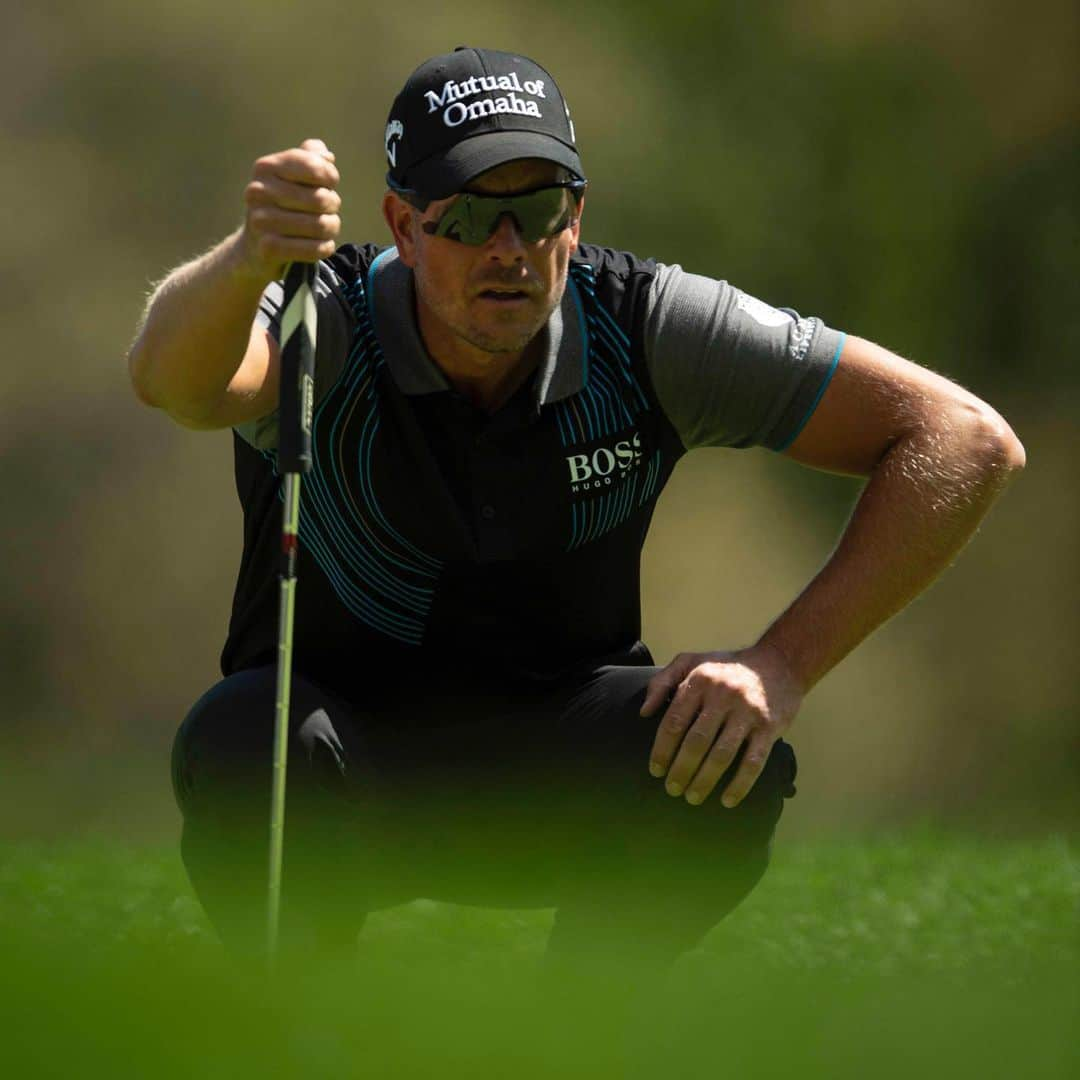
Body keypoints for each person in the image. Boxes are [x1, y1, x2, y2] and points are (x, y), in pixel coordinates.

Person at [127, 47, 1024, 995]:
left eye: (541, 206)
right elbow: (176, 383)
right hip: (336, 765)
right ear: (404, 223)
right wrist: (251, 256)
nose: (509, 247)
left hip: (554, 766)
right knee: (240, 736)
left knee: (727, 760)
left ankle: (572, 1034)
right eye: (470, 215)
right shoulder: (321, 317)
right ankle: (304, 1029)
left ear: (578, 215)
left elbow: (965, 439)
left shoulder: (647, 323)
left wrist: (780, 664)